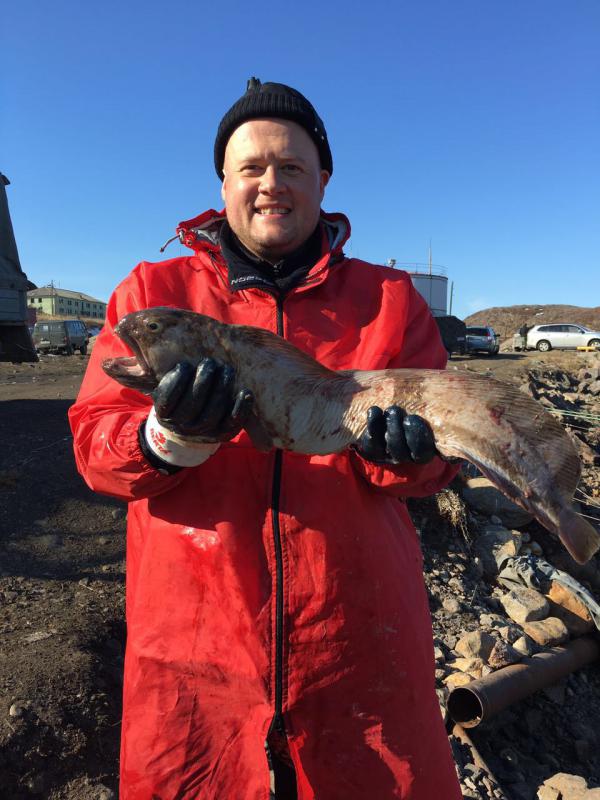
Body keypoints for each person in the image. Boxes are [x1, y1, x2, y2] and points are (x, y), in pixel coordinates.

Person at [69, 78, 462, 800]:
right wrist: (167, 437)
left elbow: (431, 466)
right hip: (194, 637)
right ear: (223, 184)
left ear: (323, 180)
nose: (271, 184)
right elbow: (97, 445)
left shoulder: (390, 299)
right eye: (250, 167)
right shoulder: (149, 293)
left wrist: (409, 458)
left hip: (356, 632)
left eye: (291, 166)